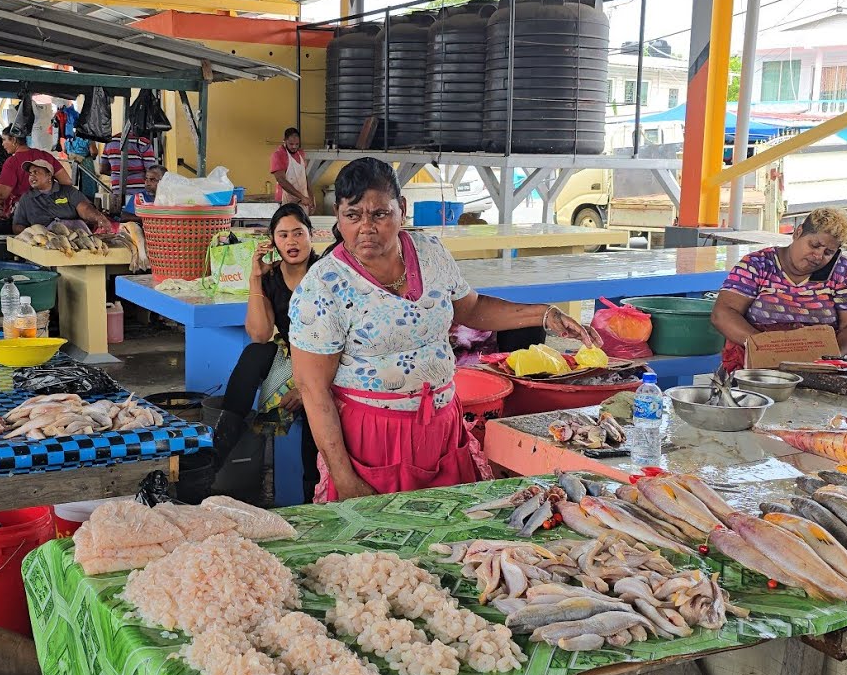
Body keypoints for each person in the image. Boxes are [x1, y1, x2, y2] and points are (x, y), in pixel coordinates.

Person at [289, 157, 599, 501]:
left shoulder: (430, 252)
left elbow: (471, 309)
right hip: (372, 438)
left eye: (380, 214)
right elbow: (312, 389)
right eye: (353, 215)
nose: (366, 227)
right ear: (338, 215)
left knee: (451, 526)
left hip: (442, 425)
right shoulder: (323, 286)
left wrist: (544, 315)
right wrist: (345, 478)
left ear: (402, 208)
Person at [213, 204, 321, 502]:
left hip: (326, 359)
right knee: (254, 353)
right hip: (293, 355)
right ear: (273, 241)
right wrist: (255, 278)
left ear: (311, 236)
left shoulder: (325, 274)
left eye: (298, 233)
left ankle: (311, 497)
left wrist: (305, 387)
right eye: (283, 235)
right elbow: (260, 333)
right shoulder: (272, 278)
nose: (292, 242)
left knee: (314, 409)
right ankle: (216, 455)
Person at [711, 207, 847, 371]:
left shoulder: (843, 271)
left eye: (828, 252)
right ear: (798, 232)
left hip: (820, 365)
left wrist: (830, 358)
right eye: (814, 245)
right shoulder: (758, 264)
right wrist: (768, 346)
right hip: (758, 364)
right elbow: (723, 313)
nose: (818, 256)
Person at [0, 127, 72, 219]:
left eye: (4, 140)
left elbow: (0, 195)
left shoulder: (12, 162)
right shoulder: (45, 155)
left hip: (24, 214)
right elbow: (67, 182)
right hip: (51, 209)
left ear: (14, 140)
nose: (2, 144)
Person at [11, 159, 113, 234]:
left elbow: (84, 208)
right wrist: (33, 235)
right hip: (45, 244)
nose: (31, 176)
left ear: (49, 175)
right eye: (30, 173)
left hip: (76, 238)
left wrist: (98, 218)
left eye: (36, 172)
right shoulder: (26, 198)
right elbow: (18, 226)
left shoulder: (68, 191)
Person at [100, 132, 156, 204]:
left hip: (117, 192)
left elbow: (102, 169)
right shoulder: (143, 143)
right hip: (140, 195)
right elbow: (151, 173)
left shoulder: (110, 141)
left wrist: (119, 173)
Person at [271, 127, 313, 212]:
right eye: (291, 144)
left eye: (297, 144)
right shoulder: (278, 155)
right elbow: (281, 180)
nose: (294, 147)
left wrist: (311, 197)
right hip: (285, 201)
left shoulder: (301, 153)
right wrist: (301, 197)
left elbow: (304, 177)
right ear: (284, 141)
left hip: (303, 200)